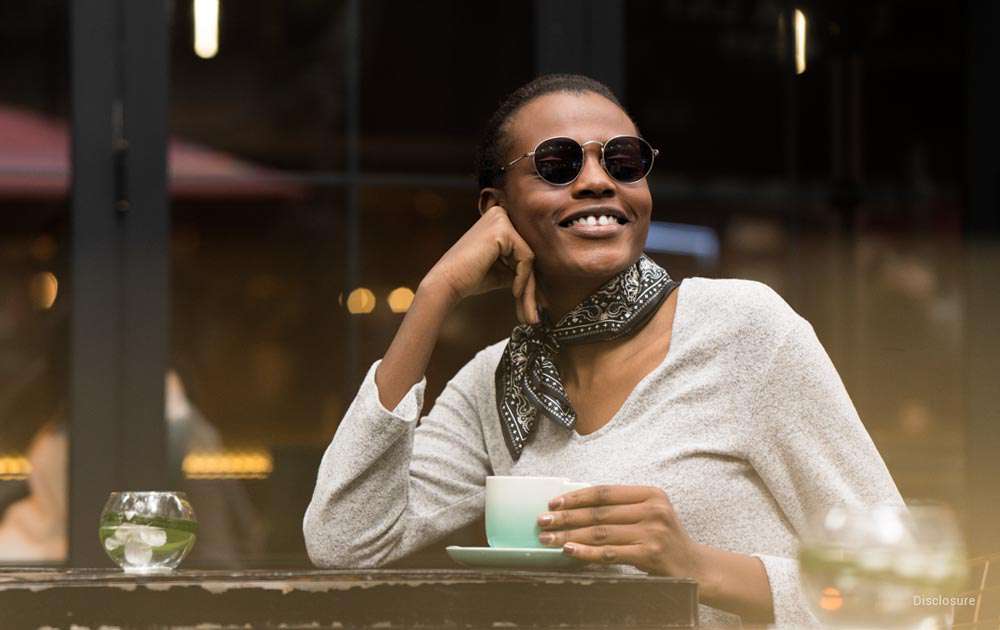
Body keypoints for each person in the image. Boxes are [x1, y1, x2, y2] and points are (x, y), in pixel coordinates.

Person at [303, 74, 904, 626]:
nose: (597, 179)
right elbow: (345, 542)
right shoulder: (497, 382)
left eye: (623, 160)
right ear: (496, 210)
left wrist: (696, 566)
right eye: (558, 163)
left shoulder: (745, 330)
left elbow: (904, 587)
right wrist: (437, 292)